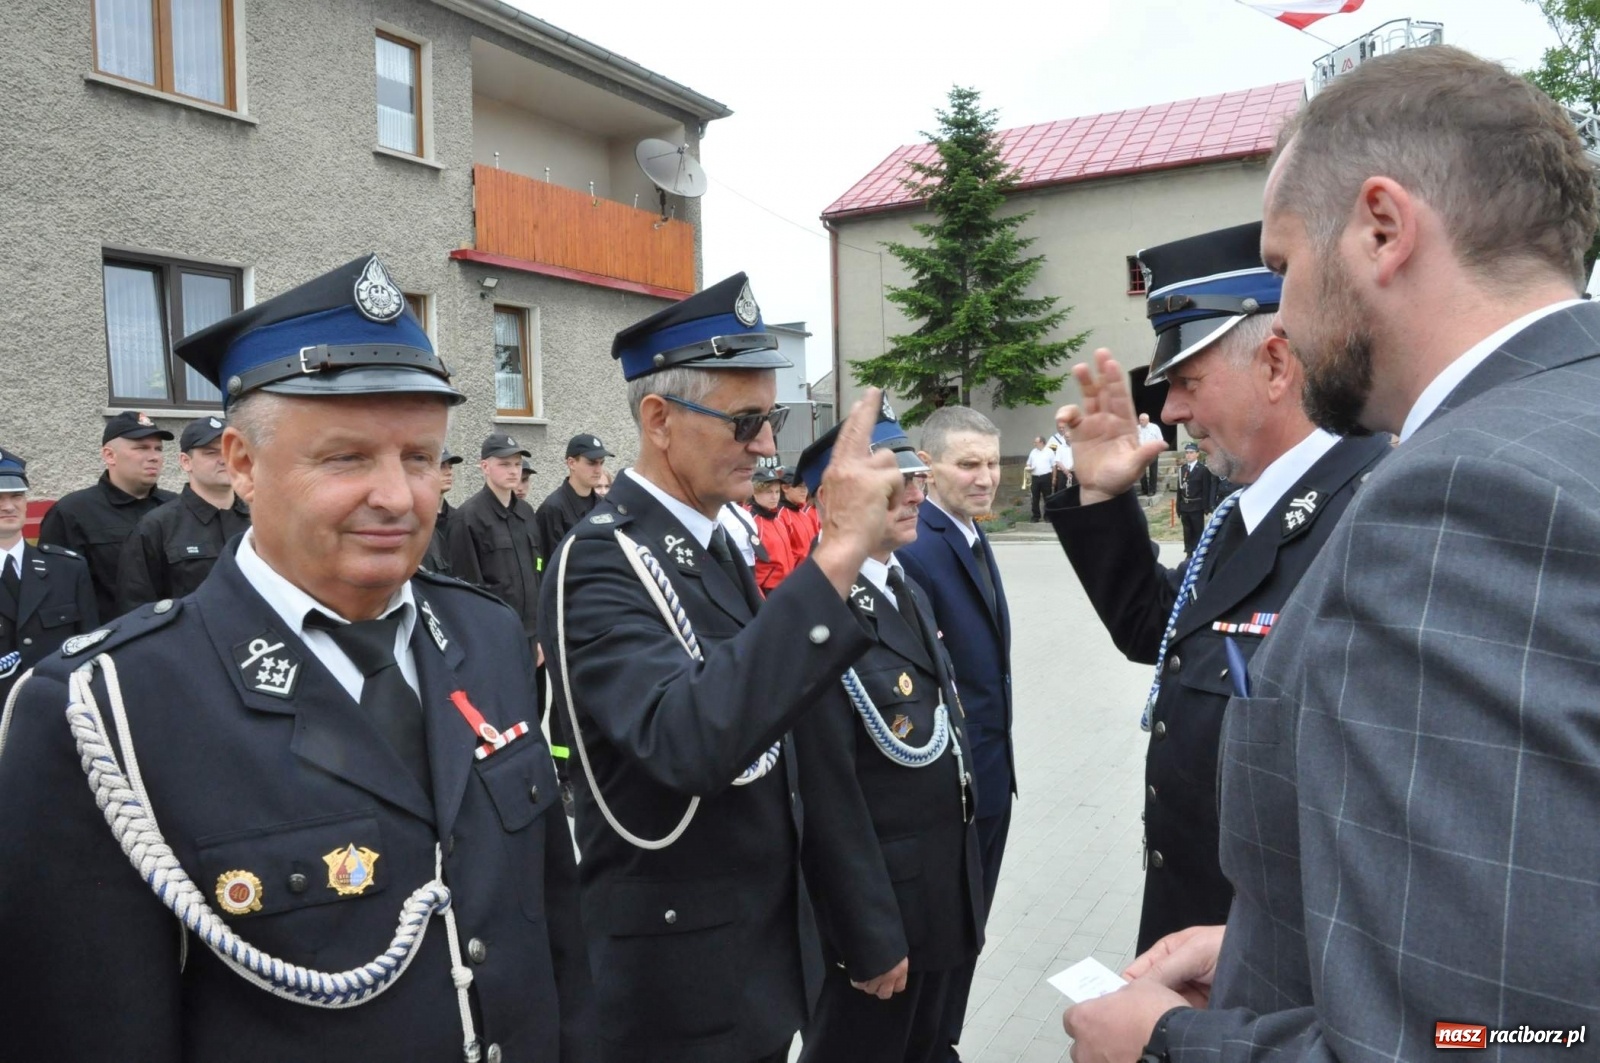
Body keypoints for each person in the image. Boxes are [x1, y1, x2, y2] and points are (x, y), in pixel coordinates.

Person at [1063, 47, 1600, 1063]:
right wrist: (1281, 946)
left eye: (1281, 268)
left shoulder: (1455, 500)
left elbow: (1485, 1039)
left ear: (1382, 229)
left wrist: (1166, 1046)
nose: (1287, 322)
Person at [0, 254, 592, 1061]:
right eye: (347, 458)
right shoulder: (109, 710)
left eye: (420, 457)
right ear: (242, 464)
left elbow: (556, 935)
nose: (398, 495)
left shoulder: (483, 637)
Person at [539, 271, 903, 1063]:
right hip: (675, 987)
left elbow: (795, 744)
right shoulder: (601, 556)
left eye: (769, 418)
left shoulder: (714, 541)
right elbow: (689, 738)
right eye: (744, 422)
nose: (767, 444)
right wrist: (836, 552)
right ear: (659, 419)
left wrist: (855, 919)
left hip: (752, 962)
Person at [1046, 221, 1389, 954]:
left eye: (1187, 381)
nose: (1168, 410)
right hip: (1197, 942)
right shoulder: (1248, 508)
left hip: (1275, 973)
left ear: (1274, 363)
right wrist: (1104, 500)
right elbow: (1161, 631)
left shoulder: (1374, 515)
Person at [791, 407, 985, 1063]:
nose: (915, 495)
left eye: (915, 476)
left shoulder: (905, 587)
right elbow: (827, 796)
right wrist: (867, 934)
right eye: (891, 480)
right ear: (837, 499)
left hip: (935, 896)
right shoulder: (821, 610)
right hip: (883, 922)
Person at [896, 406, 1013, 1063]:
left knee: (970, 930)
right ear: (929, 466)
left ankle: (943, 1038)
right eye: (969, 463)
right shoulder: (923, 545)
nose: (986, 476)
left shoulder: (968, 533)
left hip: (991, 775)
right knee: (945, 932)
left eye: (992, 462)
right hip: (955, 784)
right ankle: (927, 1043)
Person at [38, 409, 176, 621]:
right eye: (141, 448)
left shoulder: (176, 506)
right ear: (109, 455)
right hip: (108, 640)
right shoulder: (72, 512)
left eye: (158, 449)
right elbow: (58, 596)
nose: (154, 457)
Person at [115, 415, 252, 612]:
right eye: (211, 452)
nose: (223, 460)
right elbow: (136, 609)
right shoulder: (157, 527)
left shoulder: (259, 520)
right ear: (186, 462)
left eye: (229, 451)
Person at [0, 448, 97, 707]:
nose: (8, 506)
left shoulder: (68, 569)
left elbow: (87, 652)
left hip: (52, 715)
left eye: (17, 496)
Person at [536, 434, 615, 554]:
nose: (598, 470)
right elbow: (545, 562)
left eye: (601, 463)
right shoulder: (552, 509)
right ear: (571, 463)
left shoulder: (604, 505)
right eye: (592, 463)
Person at [746, 466, 796, 594]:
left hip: (787, 586)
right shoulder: (751, 522)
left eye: (777, 492)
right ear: (755, 492)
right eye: (768, 492)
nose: (774, 497)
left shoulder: (777, 520)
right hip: (767, 590)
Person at [420, 447, 462, 575]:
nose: (449, 472)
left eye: (450, 467)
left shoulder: (459, 519)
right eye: (442, 466)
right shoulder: (417, 522)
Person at [1174, 443, 1215, 554]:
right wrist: (1178, 506)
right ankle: (1188, 552)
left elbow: (1206, 489)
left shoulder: (1202, 470)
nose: (1188, 455)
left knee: (1197, 531)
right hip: (1185, 506)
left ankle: (1198, 552)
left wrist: (1206, 507)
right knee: (1187, 531)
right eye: (1187, 453)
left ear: (1197, 454)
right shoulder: (1182, 469)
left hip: (1196, 506)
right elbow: (1179, 490)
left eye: (1191, 453)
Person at [778, 467, 820, 560]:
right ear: (785, 488)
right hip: (797, 572)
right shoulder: (780, 515)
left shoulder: (803, 513)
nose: (804, 490)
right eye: (799, 486)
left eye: (805, 486)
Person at [1024, 436, 1054, 521]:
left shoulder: (1049, 451)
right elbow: (1028, 463)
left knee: (1047, 497)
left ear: (1042, 443)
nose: (1034, 444)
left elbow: (1053, 466)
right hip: (1035, 477)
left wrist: (1054, 478)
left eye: (1036, 442)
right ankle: (1036, 516)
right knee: (1035, 497)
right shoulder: (1033, 452)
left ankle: (1048, 516)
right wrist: (1029, 467)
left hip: (1046, 476)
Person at [1135, 414, 1166, 497]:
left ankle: (1152, 490)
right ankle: (1144, 489)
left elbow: (1160, 439)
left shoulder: (1155, 427)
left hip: (1152, 452)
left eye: (1143, 420)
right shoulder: (1137, 428)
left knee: (1153, 471)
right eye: (1140, 420)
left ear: (1148, 420)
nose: (1141, 422)